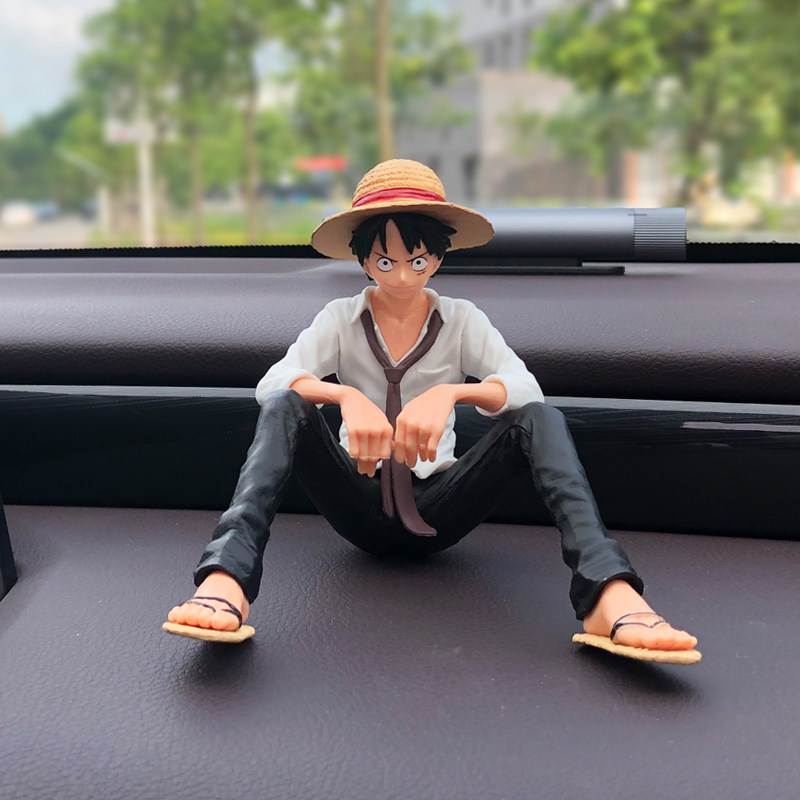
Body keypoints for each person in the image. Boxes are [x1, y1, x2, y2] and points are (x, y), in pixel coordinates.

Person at [165, 159, 699, 662]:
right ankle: (227, 577)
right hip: (357, 499)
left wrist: (453, 394)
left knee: (541, 420)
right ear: (363, 260)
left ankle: (607, 590)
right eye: (385, 262)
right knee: (288, 404)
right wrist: (345, 396)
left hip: (440, 506)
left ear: (439, 258)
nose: (401, 277)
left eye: (417, 261)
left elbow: (526, 389)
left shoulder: (462, 321)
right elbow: (273, 383)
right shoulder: (340, 319)